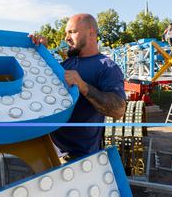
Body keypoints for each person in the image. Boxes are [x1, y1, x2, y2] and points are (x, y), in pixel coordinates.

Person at [31, 13, 126, 159]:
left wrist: (83, 86)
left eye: (72, 32)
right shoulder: (67, 64)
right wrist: (39, 51)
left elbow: (118, 110)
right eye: (66, 33)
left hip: (78, 158)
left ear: (91, 33)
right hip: (49, 151)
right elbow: (39, 84)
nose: (66, 38)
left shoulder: (107, 67)